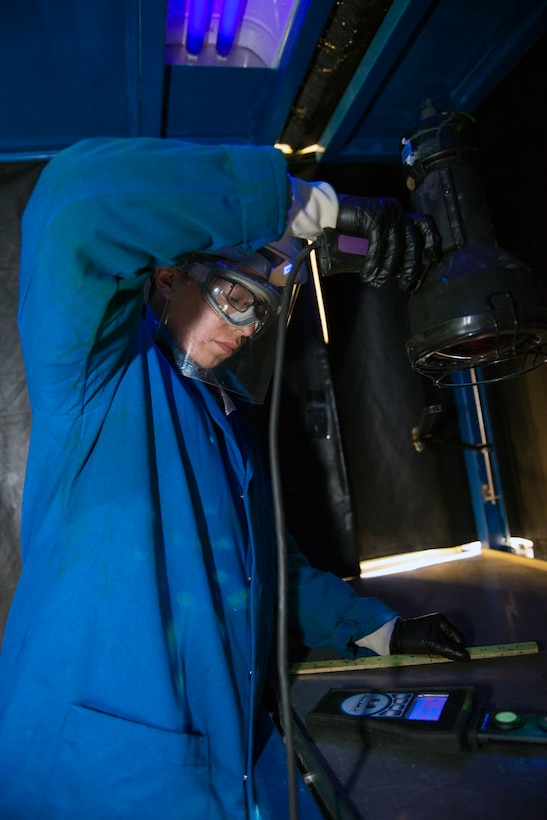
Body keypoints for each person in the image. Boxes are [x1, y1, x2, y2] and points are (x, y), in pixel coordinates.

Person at [0, 138, 469, 819]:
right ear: (167, 279)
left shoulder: (221, 416)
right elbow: (75, 205)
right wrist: (309, 206)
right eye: (235, 296)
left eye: (266, 309)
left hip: (228, 758)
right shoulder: (99, 378)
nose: (249, 328)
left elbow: (260, 566)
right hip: (97, 774)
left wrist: (375, 631)